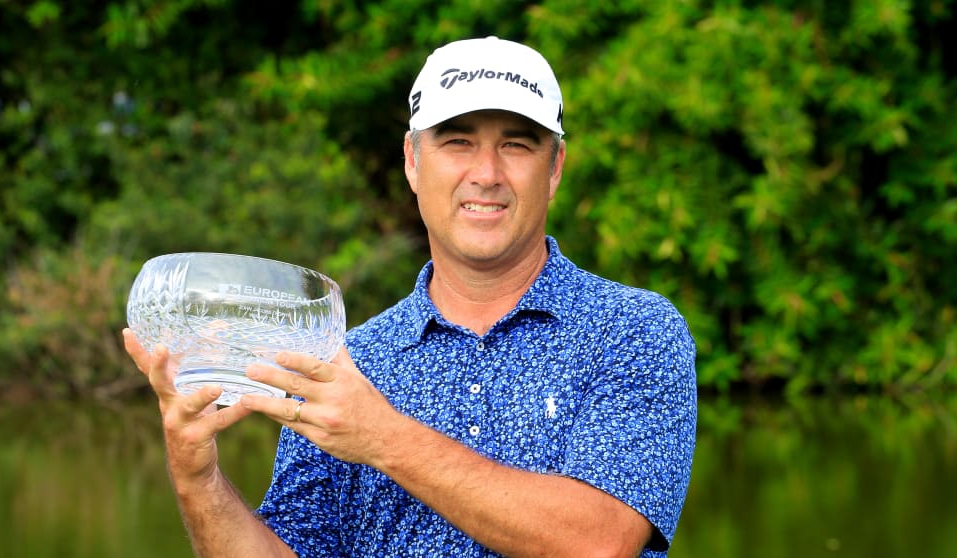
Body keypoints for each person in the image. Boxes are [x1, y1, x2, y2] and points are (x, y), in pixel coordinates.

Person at [124, 36, 697, 558]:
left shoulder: (635, 331)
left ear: (554, 169)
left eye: (517, 145)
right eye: (457, 141)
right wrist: (198, 479)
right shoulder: (345, 362)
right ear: (412, 162)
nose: (487, 172)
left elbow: (599, 544)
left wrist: (381, 435)